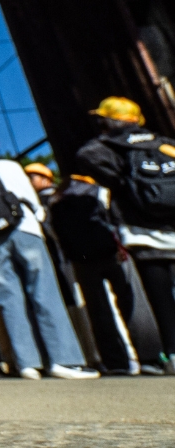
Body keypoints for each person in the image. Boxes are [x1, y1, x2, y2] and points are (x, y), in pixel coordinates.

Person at [0, 124, 98, 379]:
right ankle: (63, 359)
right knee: (44, 292)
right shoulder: (10, 167)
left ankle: (26, 363)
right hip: (25, 231)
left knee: (8, 299)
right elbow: (32, 203)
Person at [76, 96, 175, 374]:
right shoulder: (164, 143)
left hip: (144, 233)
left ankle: (171, 352)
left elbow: (85, 157)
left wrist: (123, 185)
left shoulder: (106, 148)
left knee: (160, 296)